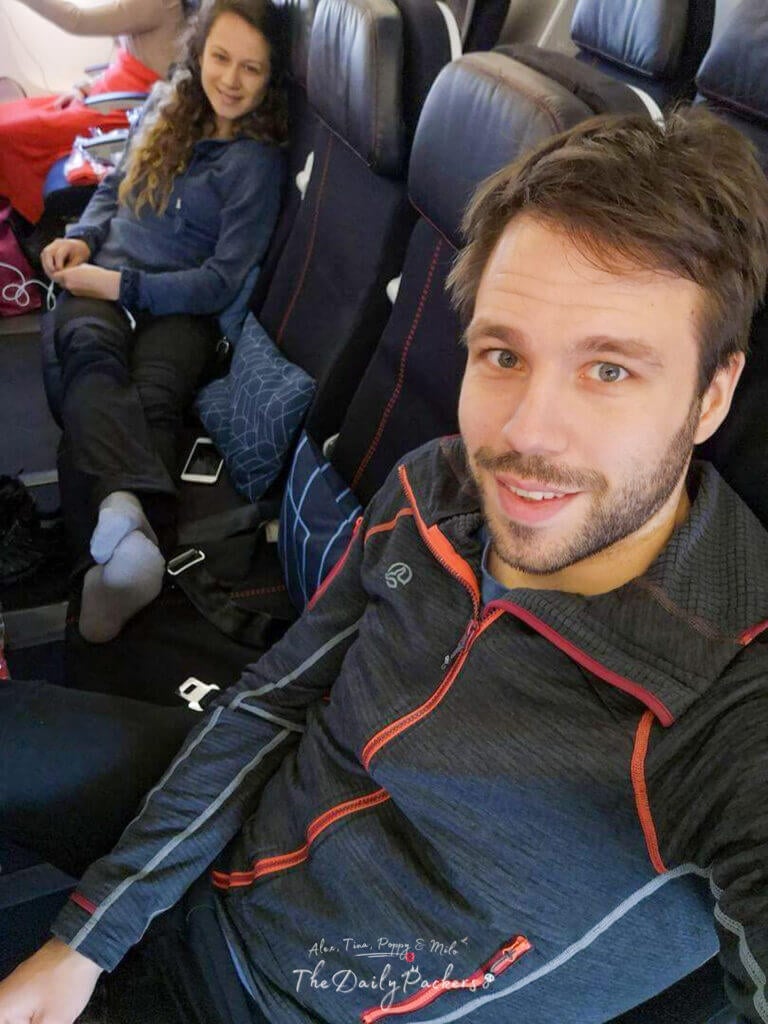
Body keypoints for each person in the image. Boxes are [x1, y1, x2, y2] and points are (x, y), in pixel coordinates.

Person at [1, 106, 768, 1024]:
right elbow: (279, 697)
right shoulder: (434, 486)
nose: (523, 436)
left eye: (610, 371)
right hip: (227, 859)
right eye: (502, 355)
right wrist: (90, 933)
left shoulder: (728, 705)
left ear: (712, 392)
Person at [39, 0, 287, 644]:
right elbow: (112, 186)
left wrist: (120, 284)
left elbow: (221, 280)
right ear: (199, 53)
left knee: (149, 400)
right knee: (89, 357)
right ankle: (128, 535)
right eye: (220, 58)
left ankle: (110, 567)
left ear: (271, 80)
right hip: (105, 276)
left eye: (251, 69)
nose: (230, 80)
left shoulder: (254, 163)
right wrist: (85, 239)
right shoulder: (167, 103)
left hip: (181, 308)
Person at [0, 0, 193, 225]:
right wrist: (87, 85)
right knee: (9, 114)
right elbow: (129, 59)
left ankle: (19, 230)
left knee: (5, 131)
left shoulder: (157, 3)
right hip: (103, 97)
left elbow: (76, 20)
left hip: (121, 110)